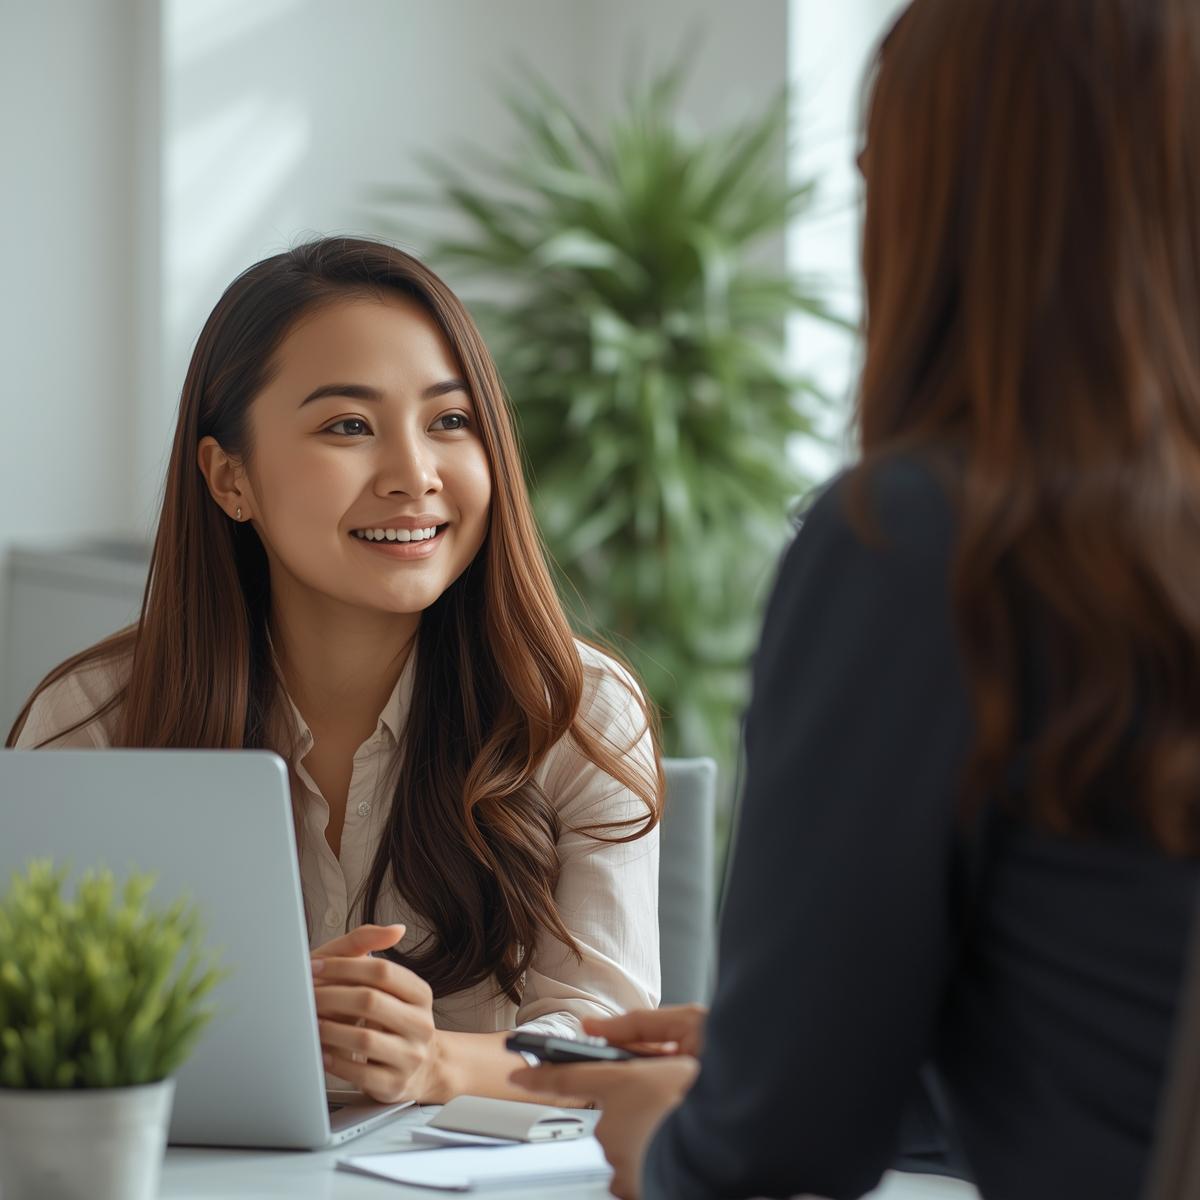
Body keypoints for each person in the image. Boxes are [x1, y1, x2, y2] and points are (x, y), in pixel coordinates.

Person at [513, 0, 1200, 1196]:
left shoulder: (924, 544)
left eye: (879, 169)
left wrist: (666, 1138)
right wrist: (781, 1051)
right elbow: (1120, 1032)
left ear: (953, 203)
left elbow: (784, 1150)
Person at [8, 236, 662, 1106]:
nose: (414, 475)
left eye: (450, 421)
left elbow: (610, 1056)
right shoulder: (94, 722)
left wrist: (433, 1062)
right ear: (229, 477)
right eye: (347, 426)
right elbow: (31, 1035)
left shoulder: (578, 714)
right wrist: (227, 1020)